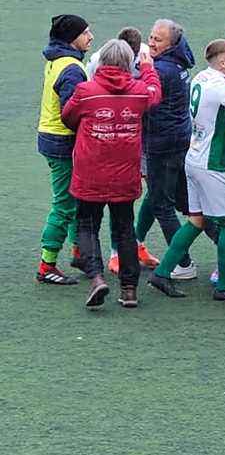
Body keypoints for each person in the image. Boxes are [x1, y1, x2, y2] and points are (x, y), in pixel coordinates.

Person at [149, 40, 225, 301]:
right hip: (214, 165)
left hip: (194, 158)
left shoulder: (200, 78)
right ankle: (224, 286)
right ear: (223, 63)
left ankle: (162, 273)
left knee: (198, 220)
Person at [62, 39, 162, 308]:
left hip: (90, 172)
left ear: (102, 61)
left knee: (87, 225)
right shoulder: (139, 91)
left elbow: (68, 117)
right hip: (125, 174)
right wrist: (148, 68)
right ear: (129, 62)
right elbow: (155, 92)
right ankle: (129, 290)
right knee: (125, 229)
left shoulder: (86, 91)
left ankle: (96, 278)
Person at [134, 19, 197, 277]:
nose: (151, 43)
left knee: (162, 204)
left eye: (157, 40)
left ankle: (183, 263)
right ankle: (221, 240)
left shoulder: (161, 70)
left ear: (171, 44)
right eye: (151, 37)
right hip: (179, 140)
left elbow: (141, 97)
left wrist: (143, 70)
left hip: (161, 145)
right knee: (185, 201)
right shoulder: (178, 65)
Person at [36, 14, 94, 285]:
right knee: (64, 204)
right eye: (85, 33)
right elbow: (70, 114)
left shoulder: (56, 60)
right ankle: (46, 265)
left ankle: (79, 253)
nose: (91, 37)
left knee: (74, 199)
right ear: (71, 38)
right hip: (63, 142)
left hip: (51, 138)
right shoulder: (72, 68)